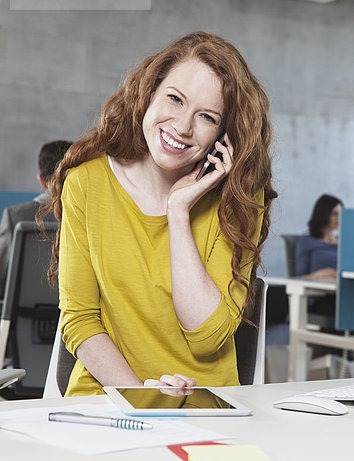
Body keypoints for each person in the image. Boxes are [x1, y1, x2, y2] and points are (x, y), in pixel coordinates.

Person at [45, 32, 277, 397]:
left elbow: (207, 337)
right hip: (111, 401)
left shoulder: (239, 196)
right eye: (175, 99)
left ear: (223, 134)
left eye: (206, 116)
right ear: (149, 93)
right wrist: (141, 397)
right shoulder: (87, 184)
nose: (183, 127)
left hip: (205, 404)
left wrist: (178, 211)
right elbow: (81, 320)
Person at [0, 140, 72, 298]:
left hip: (22, 319)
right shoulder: (91, 217)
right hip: (76, 319)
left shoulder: (15, 217)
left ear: (41, 180)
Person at [295, 193, 343, 318]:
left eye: (341, 213)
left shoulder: (345, 243)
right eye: (334, 214)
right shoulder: (307, 241)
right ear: (324, 214)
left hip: (342, 293)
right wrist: (319, 275)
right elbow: (298, 277)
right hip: (319, 296)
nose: (339, 218)